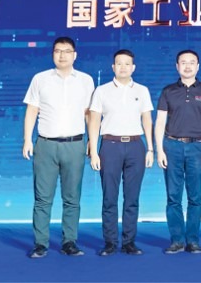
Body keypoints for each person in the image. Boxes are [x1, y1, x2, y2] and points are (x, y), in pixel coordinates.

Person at [22, 36, 95, 258]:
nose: (62, 55)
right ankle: (40, 243)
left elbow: (90, 114)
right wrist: (27, 140)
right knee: (42, 198)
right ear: (52, 54)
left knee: (72, 198)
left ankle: (69, 242)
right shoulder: (40, 79)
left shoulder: (86, 80)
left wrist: (92, 142)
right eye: (57, 51)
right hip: (45, 145)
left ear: (75, 55)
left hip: (75, 145)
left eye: (66, 51)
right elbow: (32, 110)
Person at [87, 49, 154, 256]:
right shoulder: (102, 91)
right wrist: (94, 150)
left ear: (133, 67)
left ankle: (129, 242)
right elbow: (94, 121)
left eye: (127, 64)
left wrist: (150, 148)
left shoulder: (142, 90)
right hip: (110, 145)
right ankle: (110, 242)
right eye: (119, 63)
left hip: (135, 145)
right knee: (109, 197)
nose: (123, 67)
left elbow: (147, 120)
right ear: (113, 67)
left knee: (132, 197)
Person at [155, 49, 201, 254]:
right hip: (172, 146)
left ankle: (192, 240)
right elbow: (160, 122)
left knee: (195, 197)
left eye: (192, 62)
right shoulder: (168, 91)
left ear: (198, 66)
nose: (188, 66)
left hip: (198, 147)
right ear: (177, 66)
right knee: (173, 196)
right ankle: (176, 240)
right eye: (184, 62)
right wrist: (159, 150)